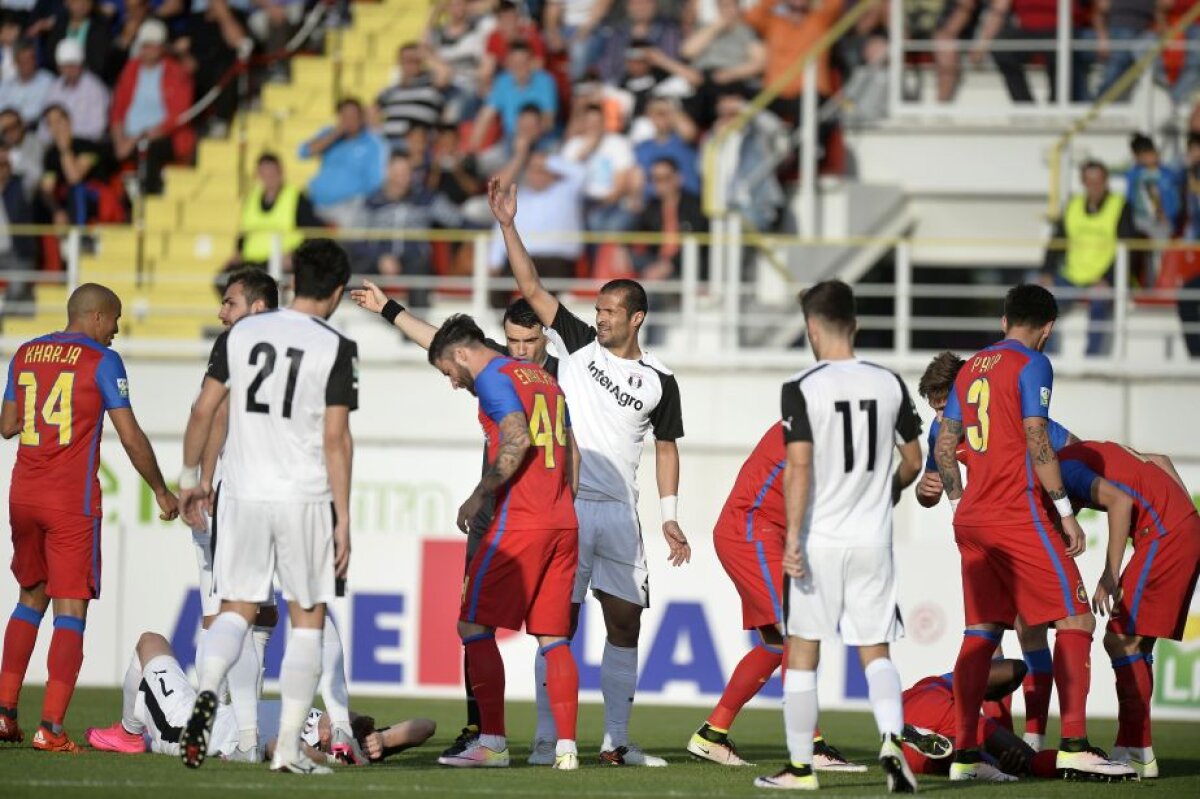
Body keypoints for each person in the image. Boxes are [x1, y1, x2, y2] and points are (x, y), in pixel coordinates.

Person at [490, 177, 688, 767]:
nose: (598, 318)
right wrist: (507, 224)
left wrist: (670, 518)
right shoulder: (577, 345)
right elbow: (531, 286)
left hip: (620, 514)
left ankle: (616, 742)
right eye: (597, 309)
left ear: (637, 317)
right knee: (558, 626)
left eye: (609, 311)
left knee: (624, 622)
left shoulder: (661, 379)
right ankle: (549, 740)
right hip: (568, 508)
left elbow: (668, 447)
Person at [933, 283, 1136, 781]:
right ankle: (1073, 745)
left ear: (1004, 321)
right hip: (1016, 513)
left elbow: (945, 445)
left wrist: (961, 499)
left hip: (973, 519)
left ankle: (964, 756)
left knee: (980, 634)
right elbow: (1036, 436)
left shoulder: (970, 370)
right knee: (1077, 619)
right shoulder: (1033, 363)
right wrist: (1066, 511)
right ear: (1047, 328)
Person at [349, 286, 558, 761]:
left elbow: (523, 435)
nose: (520, 349)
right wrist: (388, 309)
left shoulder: (541, 374)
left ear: (548, 335)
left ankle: (531, 738)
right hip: (519, 513)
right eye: (512, 341)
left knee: (499, 625)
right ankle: (491, 730)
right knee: (511, 627)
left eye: (528, 341)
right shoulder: (511, 369)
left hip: (522, 513)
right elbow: (444, 344)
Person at [176, 239, 356, 775]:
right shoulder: (335, 345)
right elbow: (336, 437)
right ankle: (287, 751)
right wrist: (342, 517)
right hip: (303, 495)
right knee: (306, 620)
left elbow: (204, 408)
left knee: (235, 609)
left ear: (295, 277)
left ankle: (207, 692)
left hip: (242, 491)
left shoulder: (242, 333)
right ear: (339, 291)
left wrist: (191, 479)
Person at [754, 280, 923, 792]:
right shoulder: (889, 381)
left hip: (819, 539)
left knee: (803, 652)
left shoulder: (803, 385)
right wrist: (883, 492)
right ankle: (893, 740)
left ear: (811, 327)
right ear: (855, 324)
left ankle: (801, 768)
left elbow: (799, 468)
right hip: (874, 540)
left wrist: (791, 540)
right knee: (876, 651)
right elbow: (913, 460)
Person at [0, 283, 179, 751]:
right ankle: (52, 729)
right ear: (96, 316)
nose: (117, 330)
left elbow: (6, 426)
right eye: (115, 320)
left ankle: (4, 714)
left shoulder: (26, 353)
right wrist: (160, 489)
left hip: (23, 494)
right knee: (71, 610)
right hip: (69, 501)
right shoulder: (103, 361)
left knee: (28, 600)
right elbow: (130, 433)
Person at [425, 314, 581, 770]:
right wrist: (565, 506)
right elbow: (570, 451)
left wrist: (479, 494)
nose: (453, 382)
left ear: (459, 354)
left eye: (447, 372)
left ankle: (492, 741)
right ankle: (566, 748)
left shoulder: (495, 376)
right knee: (554, 639)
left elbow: (516, 435)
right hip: (562, 521)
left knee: (473, 624)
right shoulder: (545, 379)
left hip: (520, 524)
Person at [686, 416, 878, 773]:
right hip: (752, 529)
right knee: (797, 632)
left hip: (755, 530)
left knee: (777, 643)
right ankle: (810, 746)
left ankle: (711, 735)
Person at [914, 350, 1078, 751]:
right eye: (934, 410)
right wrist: (924, 491)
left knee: (1030, 629)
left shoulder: (1011, 416)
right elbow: (931, 485)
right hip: (985, 536)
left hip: (1026, 527)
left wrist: (1061, 512)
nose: (939, 418)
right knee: (990, 634)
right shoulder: (943, 433)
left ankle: (1036, 739)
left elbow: (1072, 451)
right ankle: (998, 738)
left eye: (943, 406)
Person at [1058, 440, 1200, 779]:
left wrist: (1109, 576)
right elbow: (1162, 458)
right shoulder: (1088, 452)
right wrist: (1185, 515)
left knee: (1119, 640)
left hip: (1164, 535)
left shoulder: (1064, 471)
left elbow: (1121, 502)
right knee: (1137, 644)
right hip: (1180, 528)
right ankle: (1130, 745)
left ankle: (1140, 750)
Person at [84, 631, 435, 762]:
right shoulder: (339, 727)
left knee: (149, 643)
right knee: (154, 642)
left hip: (187, 729)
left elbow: (274, 749)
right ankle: (131, 731)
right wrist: (381, 737)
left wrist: (318, 754)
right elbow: (427, 726)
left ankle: (130, 735)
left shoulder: (322, 748)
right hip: (212, 711)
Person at [901, 660, 1062, 781]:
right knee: (1031, 760)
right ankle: (1080, 763)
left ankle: (951, 748)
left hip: (901, 720)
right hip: (935, 713)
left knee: (958, 756)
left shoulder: (932, 682)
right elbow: (1018, 668)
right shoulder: (956, 693)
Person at [1042, 160, 1138, 357]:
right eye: (1090, 181)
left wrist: (1108, 278)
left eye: (1099, 181)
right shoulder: (1073, 205)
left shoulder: (1120, 206)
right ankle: (1047, 358)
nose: (1095, 186)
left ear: (1106, 181)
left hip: (1102, 278)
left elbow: (1128, 249)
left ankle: (1092, 360)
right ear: (1083, 182)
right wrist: (1047, 272)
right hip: (1071, 276)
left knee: (1099, 301)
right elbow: (1057, 241)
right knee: (1042, 302)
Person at [351, 152, 462, 310]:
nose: (402, 179)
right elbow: (356, 238)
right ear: (388, 172)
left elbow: (457, 220)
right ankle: (378, 323)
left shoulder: (426, 198)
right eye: (397, 174)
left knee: (420, 272)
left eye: (406, 174)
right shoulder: (372, 201)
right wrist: (379, 258)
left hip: (415, 259)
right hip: (379, 258)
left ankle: (415, 328)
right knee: (354, 270)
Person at [110, 18, 196, 195]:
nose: (148, 51)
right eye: (145, 46)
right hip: (129, 137)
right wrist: (120, 141)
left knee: (149, 153)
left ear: (162, 48)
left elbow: (178, 115)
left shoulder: (175, 72)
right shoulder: (131, 70)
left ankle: (149, 203)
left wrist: (139, 138)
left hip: (162, 137)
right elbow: (118, 110)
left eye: (153, 46)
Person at [744, 0, 842, 123]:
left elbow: (835, 4)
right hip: (775, 93)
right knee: (741, 97)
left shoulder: (820, 19)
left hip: (810, 92)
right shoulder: (774, 22)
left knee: (812, 111)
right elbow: (752, 16)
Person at [298, 98, 387, 229]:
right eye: (345, 116)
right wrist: (335, 134)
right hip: (316, 203)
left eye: (353, 116)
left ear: (361, 117)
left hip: (350, 206)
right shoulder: (329, 134)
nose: (349, 121)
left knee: (352, 225)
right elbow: (304, 152)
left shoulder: (372, 143)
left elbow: (376, 181)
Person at [232, 153, 323, 270]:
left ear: (281, 171)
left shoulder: (296, 197)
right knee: (223, 278)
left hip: (281, 261)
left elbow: (312, 232)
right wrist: (238, 252)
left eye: (271, 172)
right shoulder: (251, 198)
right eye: (264, 173)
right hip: (251, 261)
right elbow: (244, 232)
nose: (268, 177)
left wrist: (295, 255)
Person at [468, 42, 557, 153]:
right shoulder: (502, 82)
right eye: (515, 63)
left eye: (523, 62)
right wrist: (472, 148)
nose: (519, 67)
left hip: (542, 139)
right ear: (508, 64)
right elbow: (485, 117)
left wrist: (528, 137)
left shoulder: (545, 81)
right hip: (511, 140)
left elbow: (548, 120)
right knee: (480, 163)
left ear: (531, 62)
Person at [562, 103, 638, 233]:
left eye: (597, 121)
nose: (594, 125)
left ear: (604, 123)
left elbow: (621, 184)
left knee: (599, 222)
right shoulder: (572, 146)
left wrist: (599, 205)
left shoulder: (617, 143)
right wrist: (585, 151)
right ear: (583, 123)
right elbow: (566, 182)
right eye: (590, 121)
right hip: (580, 202)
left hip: (612, 203)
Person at [37, 105, 114, 227]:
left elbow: (75, 177)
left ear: (69, 121)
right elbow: (47, 188)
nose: (56, 127)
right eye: (50, 123)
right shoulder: (51, 155)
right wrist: (57, 211)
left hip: (97, 199)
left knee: (77, 190)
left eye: (58, 121)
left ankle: (78, 234)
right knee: (39, 197)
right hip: (67, 201)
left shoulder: (87, 146)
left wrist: (64, 150)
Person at [376, 42, 451, 150]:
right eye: (406, 60)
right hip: (388, 145)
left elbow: (445, 73)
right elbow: (372, 114)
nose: (410, 64)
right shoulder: (389, 91)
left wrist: (426, 55)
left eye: (415, 60)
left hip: (418, 147)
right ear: (399, 63)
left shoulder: (430, 87)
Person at [40, 39, 109, 143]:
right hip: (55, 144)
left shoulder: (95, 88)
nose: (69, 70)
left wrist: (66, 136)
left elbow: (98, 129)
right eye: (65, 66)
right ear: (59, 68)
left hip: (85, 145)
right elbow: (43, 127)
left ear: (81, 64)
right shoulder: (54, 88)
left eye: (73, 65)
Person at [0, 145, 35, 310]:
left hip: (18, 253)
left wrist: (14, 156)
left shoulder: (21, 185)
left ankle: (6, 325)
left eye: (3, 164)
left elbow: (36, 174)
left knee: (16, 287)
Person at [45, 0, 111, 80]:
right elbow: (51, 56)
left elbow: (99, 62)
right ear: (67, 3)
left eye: (87, 2)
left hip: (89, 80)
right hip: (61, 78)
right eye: (77, 2)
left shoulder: (100, 26)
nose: (83, 5)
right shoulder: (60, 24)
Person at [0, 39, 53, 127]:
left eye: (29, 60)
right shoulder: (5, 86)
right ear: (15, 62)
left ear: (35, 60)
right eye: (22, 61)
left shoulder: (48, 81)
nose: (26, 65)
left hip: (34, 131)